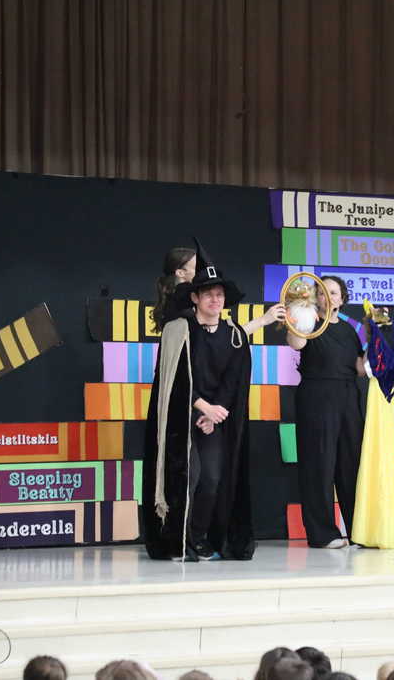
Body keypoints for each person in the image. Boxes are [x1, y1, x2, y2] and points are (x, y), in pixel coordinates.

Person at [141, 239, 254, 562]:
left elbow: (234, 381)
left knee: (213, 479)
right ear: (195, 297)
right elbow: (171, 380)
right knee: (186, 478)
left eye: (219, 295)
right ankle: (176, 541)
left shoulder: (233, 335)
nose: (215, 300)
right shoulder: (179, 330)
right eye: (208, 294)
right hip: (183, 416)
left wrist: (216, 413)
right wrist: (201, 406)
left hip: (213, 419)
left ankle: (199, 538)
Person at [287, 275, 366, 548]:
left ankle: (360, 531)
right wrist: (296, 315)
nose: (328, 297)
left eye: (333, 292)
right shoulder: (310, 322)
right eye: (322, 292)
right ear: (315, 297)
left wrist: (381, 336)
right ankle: (323, 534)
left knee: (351, 465)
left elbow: (359, 368)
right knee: (318, 465)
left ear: (342, 299)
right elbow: (296, 343)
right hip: (316, 398)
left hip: (348, 398)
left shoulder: (348, 330)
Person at [352, 301, 394, 548]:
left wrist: (366, 343)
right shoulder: (393, 353)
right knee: (383, 460)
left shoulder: (377, 353)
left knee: (377, 459)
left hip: (378, 407)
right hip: (385, 408)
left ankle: (373, 529)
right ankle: (382, 529)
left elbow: (362, 369)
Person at [152, 245, 284, 335]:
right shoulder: (181, 308)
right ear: (180, 273)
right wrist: (263, 320)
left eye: (219, 294)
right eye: (197, 268)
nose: (215, 299)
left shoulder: (174, 302)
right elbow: (225, 339)